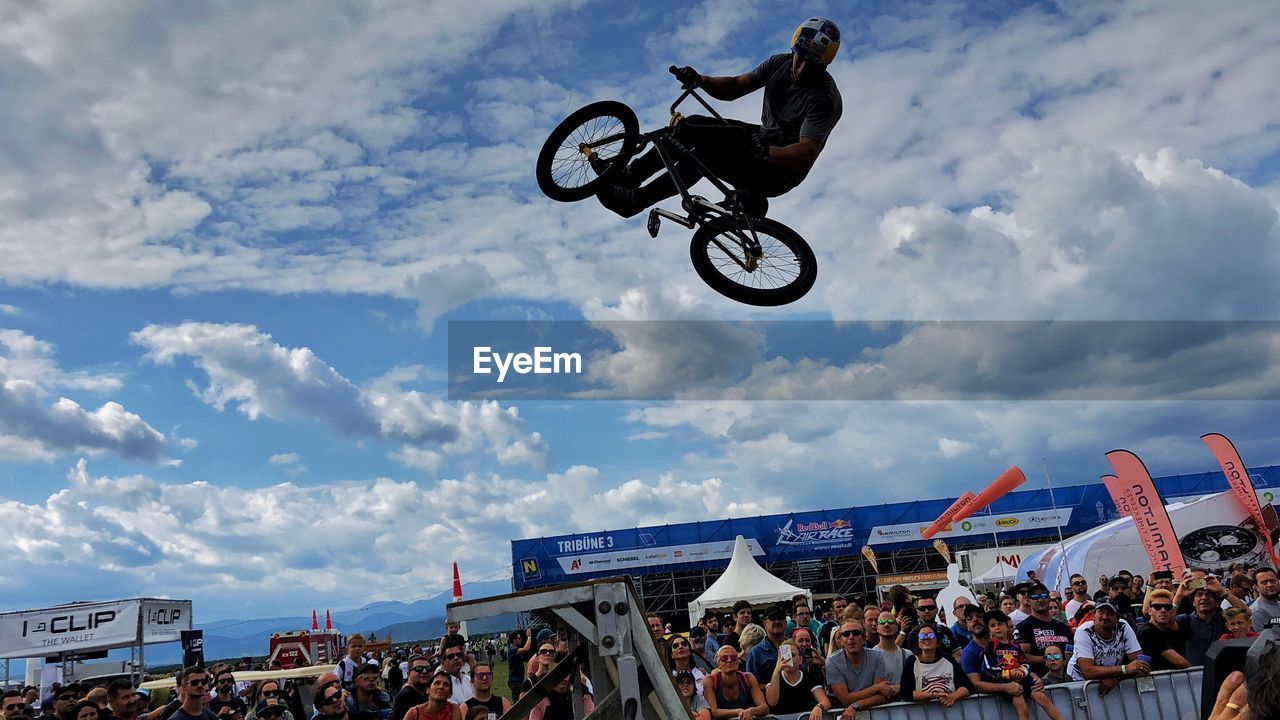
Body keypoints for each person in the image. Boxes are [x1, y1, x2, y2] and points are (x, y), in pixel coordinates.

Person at [594, 17, 843, 219]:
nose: (799, 69)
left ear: (824, 64)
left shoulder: (824, 99)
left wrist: (768, 152)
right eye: (799, 58)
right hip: (760, 138)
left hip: (779, 170)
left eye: (810, 65)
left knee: (704, 153)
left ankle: (635, 201)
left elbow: (807, 151)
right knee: (691, 126)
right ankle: (629, 176)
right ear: (794, 49)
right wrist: (701, 80)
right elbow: (735, 86)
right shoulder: (780, 63)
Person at [1066, 601, 1147, 695]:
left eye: (1110, 613)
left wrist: (1117, 677)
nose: (1105, 617)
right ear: (1093, 615)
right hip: (1079, 681)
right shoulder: (1084, 631)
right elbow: (1087, 671)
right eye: (1101, 612)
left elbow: (1140, 664)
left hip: (1112, 679)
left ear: (1117, 618)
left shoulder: (1123, 626)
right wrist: (1125, 669)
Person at [824, 621, 893, 716]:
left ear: (864, 638)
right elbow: (845, 699)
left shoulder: (877, 656)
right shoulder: (832, 661)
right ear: (841, 640)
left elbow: (882, 696)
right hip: (842, 714)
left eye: (856, 633)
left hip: (871, 713)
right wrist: (876, 687)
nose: (851, 637)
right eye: (846, 634)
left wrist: (856, 705)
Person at [899, 626, 972, 708]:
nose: (926, 638)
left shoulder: (948, 659)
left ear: (938, 642)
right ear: (918, 643)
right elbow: (905, 694)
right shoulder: (911, 661)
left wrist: (953, 697)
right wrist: (933, 696)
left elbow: (967, 686)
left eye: (930, 635)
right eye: (922, 636)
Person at [1013, 582, 1073, 675]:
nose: (1040, 599)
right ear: (1028, 601)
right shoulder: (1023, 627)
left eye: (1044, 595)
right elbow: (1021, 656)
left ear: (1049, 599)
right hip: (1040, 682)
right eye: (1035, 597)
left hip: (1067, 679)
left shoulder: (1062, 627)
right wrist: (1049, 658)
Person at [764, 639, 830, 720]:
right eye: (785, 655)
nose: (789, 659)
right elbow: (772, 702)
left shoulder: (809, 677)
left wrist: (819, 707)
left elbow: (825, 701)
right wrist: (777, 671)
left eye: (793, 655)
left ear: (800, 659)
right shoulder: (772, 676)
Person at [704, 645, 767, 720]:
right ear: (718, 664)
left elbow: (764, 707)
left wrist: (752, 711)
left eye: (733, 657)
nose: (729, 660)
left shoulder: (748, 678)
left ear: (738, 661)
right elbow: (713, 712)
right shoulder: (710, 680)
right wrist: (739, 712)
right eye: (724, 658)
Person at [1137, 589, 1192, 670]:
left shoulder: (1171, 630)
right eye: (1157, 607)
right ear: (1150, 611)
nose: (1163, 610)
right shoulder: (1146, 631)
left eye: (1167, 607)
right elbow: (1181, 663)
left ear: (1171, 611)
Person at [867, 611, 912, 690]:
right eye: (882, 622)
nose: (886, 625)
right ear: (877, 627)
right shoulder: (870, 656)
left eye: (891, 622)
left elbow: (915, 682)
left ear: (897, 627)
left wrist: (899, 688)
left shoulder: (907, 654)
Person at [745, 606, 787, 681]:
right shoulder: (755, 653)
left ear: (786, 622)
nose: (777, 621)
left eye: (780, 618)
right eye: (773, 618)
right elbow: (751, 684)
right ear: (764, 623)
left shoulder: (795, 648)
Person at [391, 656, 431, 720]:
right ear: (408, 673)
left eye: (428, 668)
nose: (424, 671)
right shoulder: (407, 696)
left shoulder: (424, 693)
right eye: (419, 668)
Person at [504, 631, 533, 700]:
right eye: (519, 638)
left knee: (520, 699)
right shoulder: (513, 650)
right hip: (515, 681)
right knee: (518, 701)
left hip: (518, 679)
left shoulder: (514, 649)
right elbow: (526, 649)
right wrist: (529, 637)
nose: (520, 639)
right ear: (514, 640)